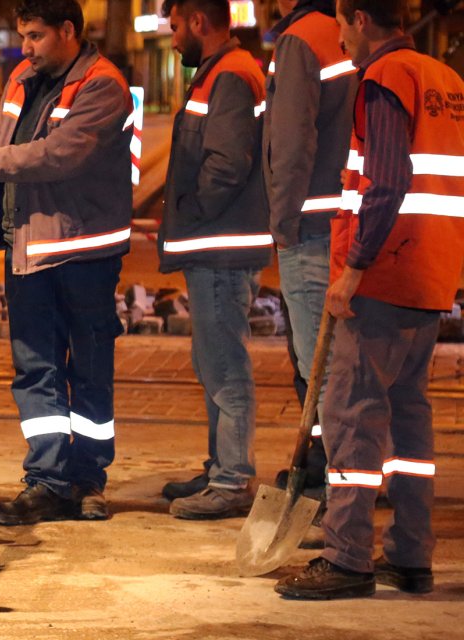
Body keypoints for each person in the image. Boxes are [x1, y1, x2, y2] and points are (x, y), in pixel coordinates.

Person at [275, 0, 464, 599]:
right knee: (409, 417)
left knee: (353, 414)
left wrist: (353, 269)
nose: (338, 34)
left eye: (340, 21)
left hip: (384, 272)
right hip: (430, 272)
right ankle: (410, 556)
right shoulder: (446, 79)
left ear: (358, 17)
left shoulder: (386, 77)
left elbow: (388, 179)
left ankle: (347, 559)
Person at [0, 0, 133, 526]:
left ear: (68, 31)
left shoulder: (102, 86)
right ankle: (47, 481)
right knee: (36, 370)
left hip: (84, 252)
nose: (24, 48)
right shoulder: (23, 77)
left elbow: (57, 155)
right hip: (29, 249)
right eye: (23, 36)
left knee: (89, 369)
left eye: (35, 36)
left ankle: (88, 480)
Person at [157, 0, 270, 519]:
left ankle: (232, 480)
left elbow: (226, 163)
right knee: (213, 362)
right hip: (215, 243)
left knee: (224, 365)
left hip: (221, 244)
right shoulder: (221, 72)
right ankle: (219, 467)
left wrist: (190, 210)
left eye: (177, 26)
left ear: (199, 22)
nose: (174, 37)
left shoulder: (229, 76)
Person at [263, 0, 358, 498]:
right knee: (347, 365)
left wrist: (282, 222)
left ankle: (338, 496)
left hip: (311, 225)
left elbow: (293, 139)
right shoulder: (346, 33)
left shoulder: (299, 40)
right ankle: (349, 478)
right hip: (349, 222)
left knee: (318, 368)